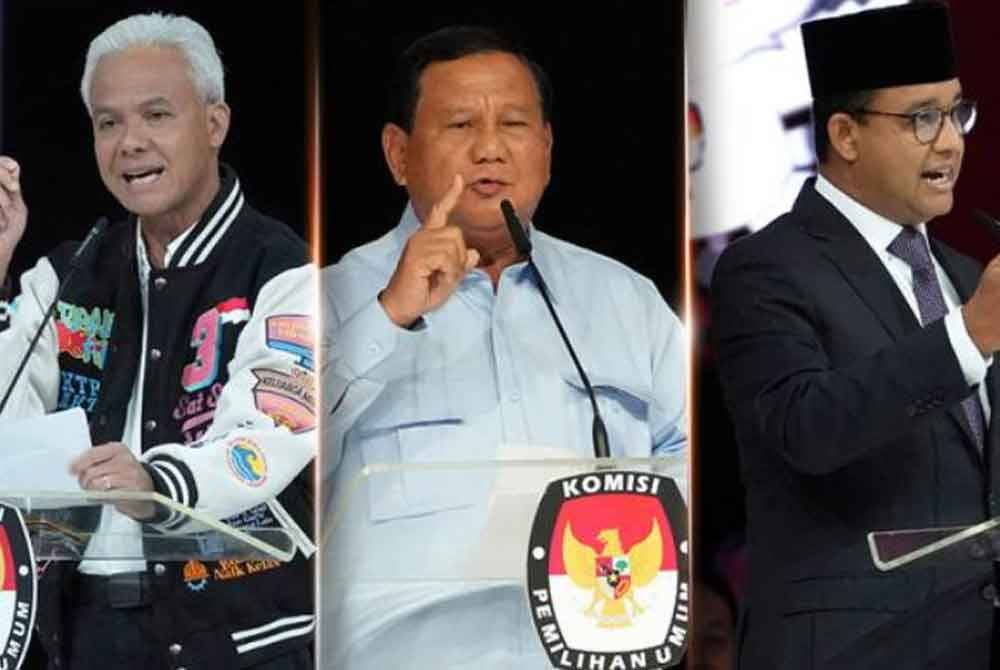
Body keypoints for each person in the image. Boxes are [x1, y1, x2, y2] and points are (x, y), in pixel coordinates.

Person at [321, 25, 686, 669]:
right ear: (397, 153)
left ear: (545, 147)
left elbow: (690, 462)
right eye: (460, 125)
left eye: (514, 125)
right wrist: (389, 315)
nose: (490, 149)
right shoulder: (329, 299)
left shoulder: (627, 300)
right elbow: (272, 465)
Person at [0, 13, 315, 670]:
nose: (130, 143)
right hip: (84, 632)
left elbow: (273, 436)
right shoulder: (69, 272)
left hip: (241, 639)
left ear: (214, 123)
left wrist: (158, 484)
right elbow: (8, 424)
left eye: (156, 115)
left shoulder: (283, 268)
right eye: (108, 123)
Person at [711, 3, 1000, 667]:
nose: (952, 141)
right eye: (923, 118)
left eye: (958, 112)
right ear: (845, 134)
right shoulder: (766, 268)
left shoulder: (964, 274)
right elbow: (807, 428)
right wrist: (971, 334)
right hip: (850, 651)